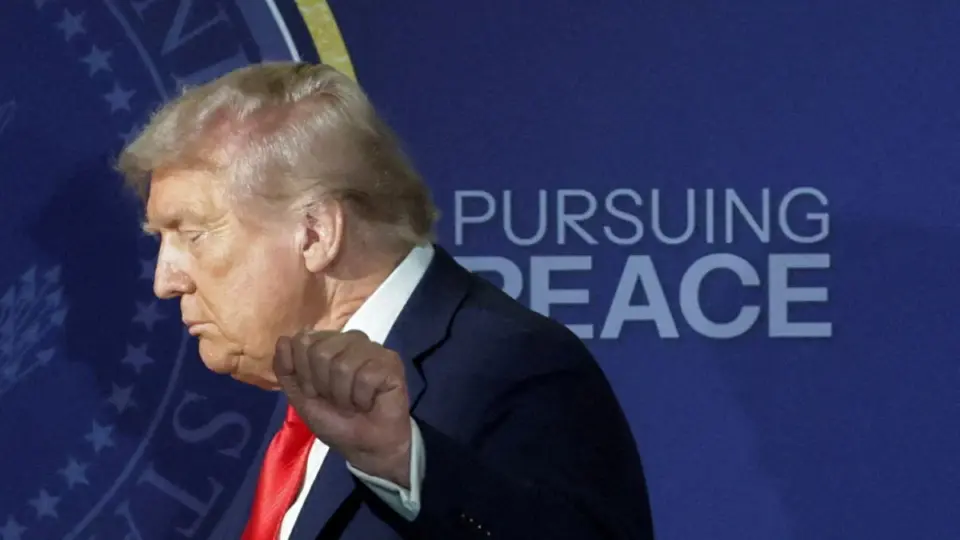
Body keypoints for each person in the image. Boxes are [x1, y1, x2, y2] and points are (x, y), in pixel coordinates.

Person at [116, 62, 655, 540]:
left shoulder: (515, 366)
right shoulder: (312, 400)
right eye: (162, 240)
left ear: (316, 233)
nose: (166, 280)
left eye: (193, 233)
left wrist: (404, 461)